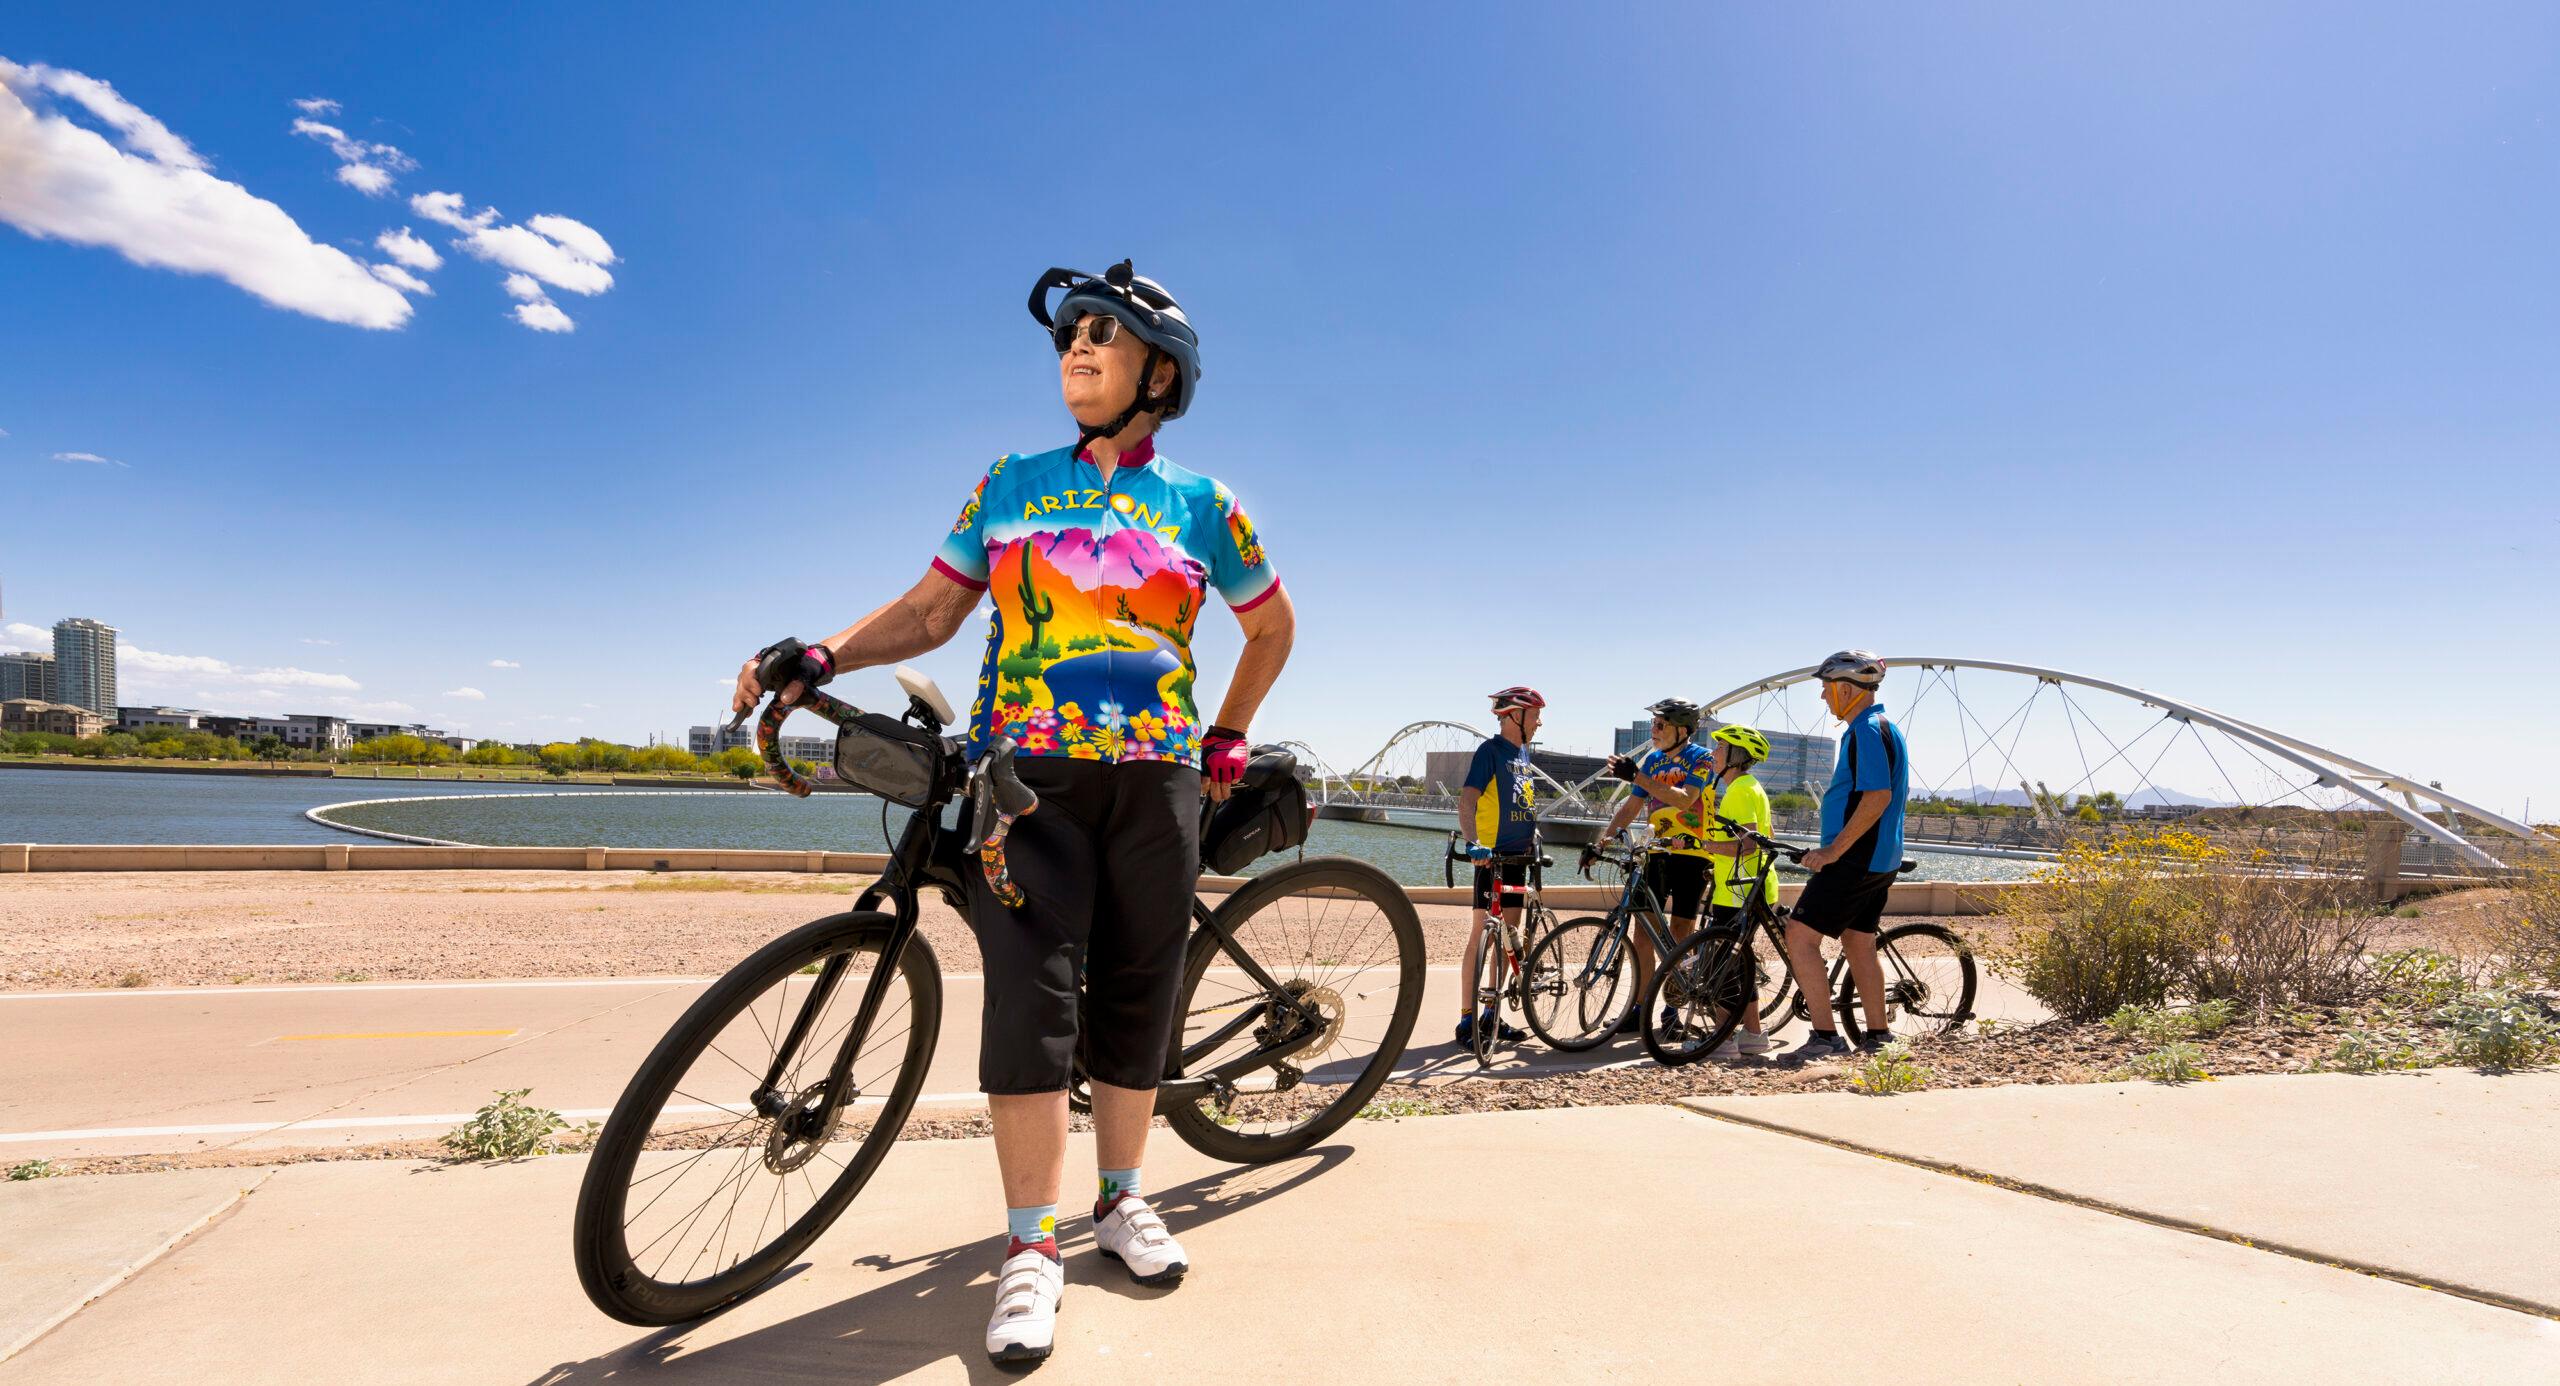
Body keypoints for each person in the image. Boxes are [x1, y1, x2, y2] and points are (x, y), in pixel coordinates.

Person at [731, 261, 1295, 1367]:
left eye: (1101, 332)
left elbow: (1270, 628)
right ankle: (1031, 1248)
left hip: (1157, 776)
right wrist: (824, 649)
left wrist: (1226, 734)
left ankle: (1122, 1197)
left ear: (1159, 370)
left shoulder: (1204, 502)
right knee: (1031, 1004)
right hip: (1026, 778)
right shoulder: (1010, 482)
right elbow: (936, 609)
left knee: (1138, 992)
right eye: (1065, 336)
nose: (1074, 348)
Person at [1779, 650, 1910, 1061]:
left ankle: (1825, 1038)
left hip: (1855, 858)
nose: (1822, 696)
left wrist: (1833, 850)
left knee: (1799, 936)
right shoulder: (1883, 727)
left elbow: (1877, 796)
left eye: (1826, 687)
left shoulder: (1866, 730)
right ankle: (1878, 1036)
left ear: (1848, 689)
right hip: (1880, 858)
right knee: (1859, 942)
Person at [1587, 698, 1717, 1036]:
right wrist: (1601, 842)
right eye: (1653, 725)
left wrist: (1639, 776)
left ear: (1682, 729)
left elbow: (1686, 798)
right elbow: (1630, 808)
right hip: (1656, 853)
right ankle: (1639, 1007)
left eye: (1660, 725)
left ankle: (1672, 1013)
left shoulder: (1701, 758)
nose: (1654, 731)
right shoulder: (1653, 760)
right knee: (1642, 933)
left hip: (1693, 856)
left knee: (1680, 934)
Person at [1456, 686, 1543, 1048]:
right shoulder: (1489, 752)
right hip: (1491, 858)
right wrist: (1474, 842)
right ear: (1514, 717)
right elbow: (1467, 800)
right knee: (1481, 933)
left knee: (1509, 936)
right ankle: (1467, 1020)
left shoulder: (1522, 754)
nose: (1539, 724)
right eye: (1535, 716)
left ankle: (1493, 1015)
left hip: (1520, 858)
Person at [1693, 723, 1780, 1056]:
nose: (1712, 754)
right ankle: (1753, 1035)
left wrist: (1710, 846)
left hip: (1739, 892)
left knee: (1721, 964)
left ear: (1734, 756)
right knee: (1734, 963)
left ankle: (1723, 1039)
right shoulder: (1747, 786)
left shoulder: (1741, 790)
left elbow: (1749, 844)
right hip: (1740, 887)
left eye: (1718, 748)